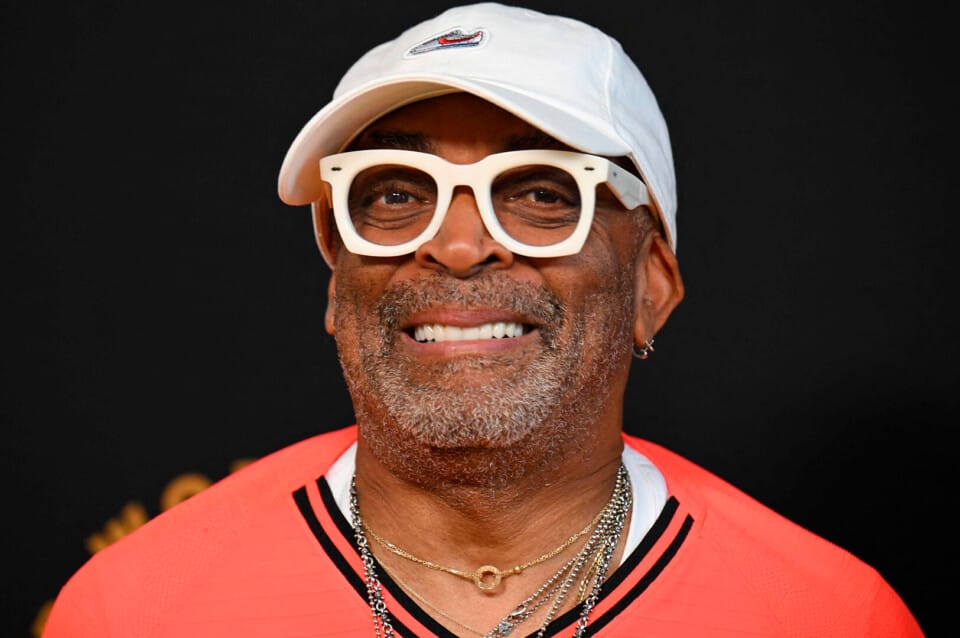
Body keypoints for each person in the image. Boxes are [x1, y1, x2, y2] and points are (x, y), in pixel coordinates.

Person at [41, 3, 924, 637]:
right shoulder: (134, 610)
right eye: (395, 194)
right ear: (336, 287)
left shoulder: (829, 616)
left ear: (650, 286)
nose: (459, 247)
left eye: (541, 192)